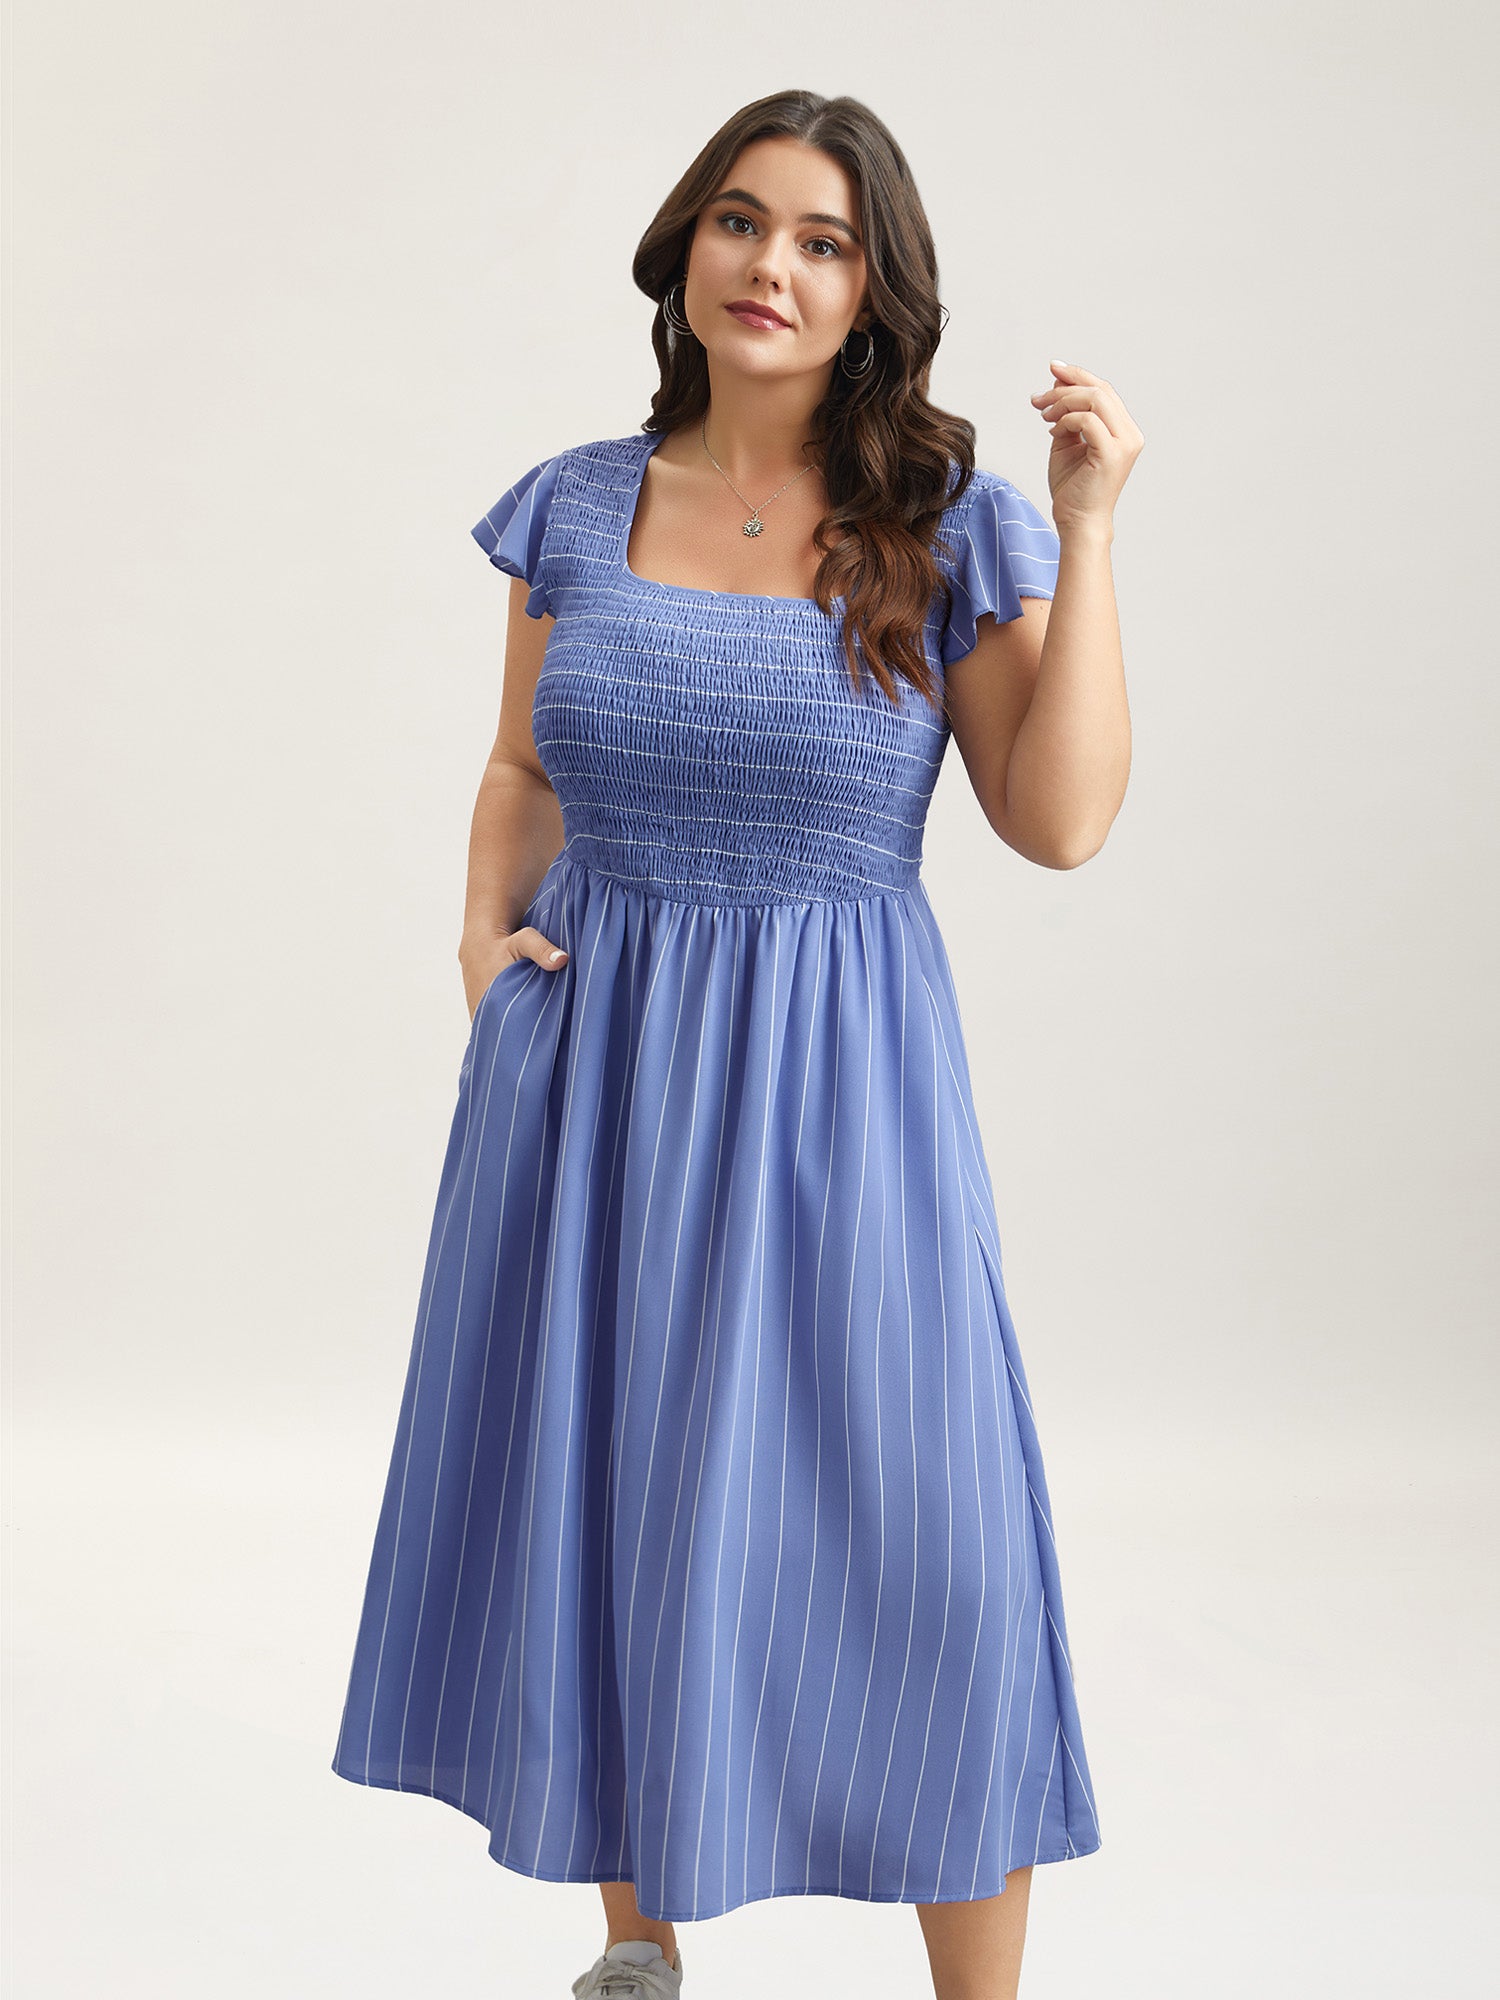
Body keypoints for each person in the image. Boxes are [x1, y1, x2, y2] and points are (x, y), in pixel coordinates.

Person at [330, 86, 1141, 2000]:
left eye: (824, 242)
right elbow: (522, 764)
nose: (772, 264)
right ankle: (641, 1953)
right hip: (597, 1073)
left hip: (845, 1091)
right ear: (685, 248)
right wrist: (482, 947)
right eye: (742, 221)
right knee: (617, 1489)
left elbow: (1058, 817)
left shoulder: (942, 522)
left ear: (874, 295)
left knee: (928, 1537)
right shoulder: (574, 504)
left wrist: (1090, 533)